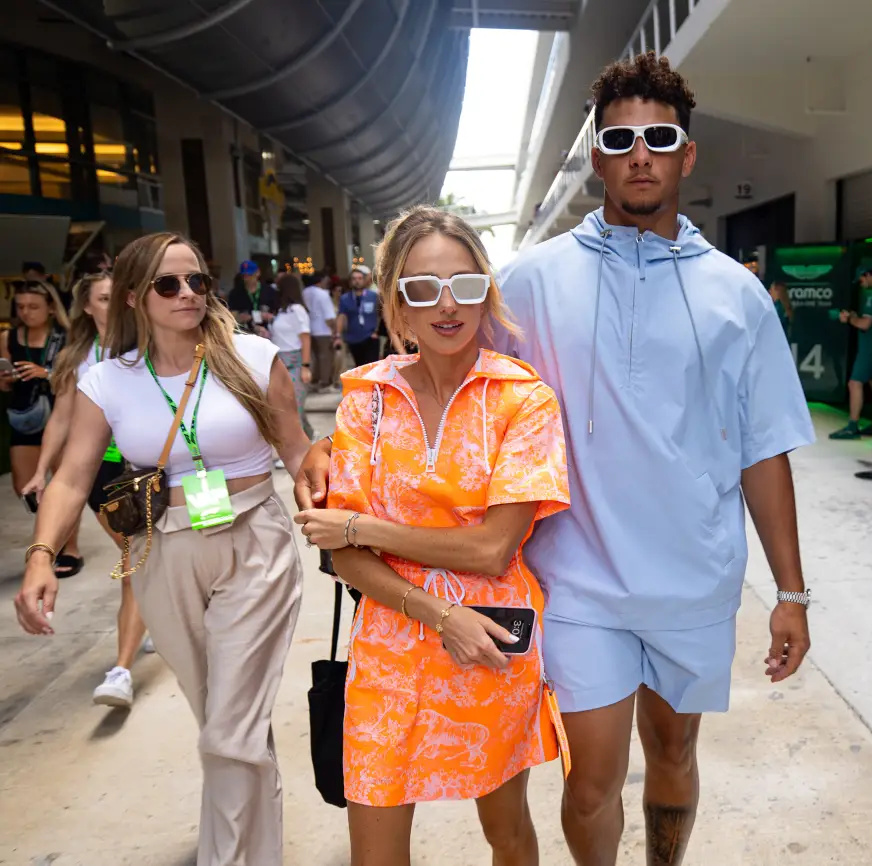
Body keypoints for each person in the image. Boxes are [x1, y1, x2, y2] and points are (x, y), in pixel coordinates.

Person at [296, 52, 814, 866]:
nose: (639, 152)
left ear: (686, 154)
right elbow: (443, 362)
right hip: (576, 583)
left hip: (694, 576)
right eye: (620, 138)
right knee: (587, 785)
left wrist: (790, 590)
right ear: (599, 157)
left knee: (675, 757)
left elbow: (764, 450)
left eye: (658, 136)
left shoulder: (738, 295)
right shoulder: (531, 280)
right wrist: (332, 443)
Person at [14, 231, 310, 866]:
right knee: (225, 719)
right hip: (161, 549)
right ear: (133, 296)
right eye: (169, 284)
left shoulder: (253, 357)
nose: (189, 294)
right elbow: (70, 474)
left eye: (198, 281)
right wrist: (42, 554)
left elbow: (296, 449)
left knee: (230, 729)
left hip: (255, 539)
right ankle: (259, 850)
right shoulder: (107, 381)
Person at [293, 206, 571, 866]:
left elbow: (491, 549)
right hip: (390, 645)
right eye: (423, 289)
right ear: (397, 304)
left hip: (492, 641)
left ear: (486, 291)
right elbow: (344, 558)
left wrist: (360, 525)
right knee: (376, 853)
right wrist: (436, 611)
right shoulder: (367, 397)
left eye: (465, 284)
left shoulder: (522, 400)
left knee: (507, 833)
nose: (447, 306)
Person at [21, 272, 155, 707]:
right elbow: (60, 419)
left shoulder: (148, 347)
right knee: (136, 556)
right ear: (86, 306)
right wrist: (42, 471)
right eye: (104, 297)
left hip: (147, 467)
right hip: (100, 471)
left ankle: (121, 668)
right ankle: (147, 625)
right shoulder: (78, 356)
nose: (115, 302)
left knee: (138, 558)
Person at [0, 279, 84, 577]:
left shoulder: (65, 338)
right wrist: (7, 379)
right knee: (26, 488)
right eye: (20, 307)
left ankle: (68, 547)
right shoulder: (10, 336)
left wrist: (45, 372)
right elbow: (3, 378)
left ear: (50, 308)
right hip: (25, 415)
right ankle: (51, 536)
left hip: (58, 414)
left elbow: (75, 378)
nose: (26, 312)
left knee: (63, 485)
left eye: (33, 306)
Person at [829, 265, 872, 440]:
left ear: (867, 275)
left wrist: (849, 319)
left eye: (861, 280)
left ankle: (852, 426)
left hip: (870, 346)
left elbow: (865, 324)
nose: (861, 284)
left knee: (854, 383)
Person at [270, 271, 314, 439]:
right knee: (288, 405)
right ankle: (309, 437)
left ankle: (299, 448)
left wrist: (305, 366)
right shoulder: (281, 311)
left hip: (295, 361)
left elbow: (306, 338)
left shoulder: (297, 310)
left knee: (294, 407)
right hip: (280, 360)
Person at [335, 265, 381, 367]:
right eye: (354, 278)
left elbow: (381, 315)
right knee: (359, 367)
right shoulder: (345, 298)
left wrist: (377, 331)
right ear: (350, 281)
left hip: (370, 337)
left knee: (372, 367)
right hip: (353, 338)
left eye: (360, 278)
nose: (357, 281)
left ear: (364, 280)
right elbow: (341, 317)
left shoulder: (373, 296)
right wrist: (338, 335)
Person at [302, 271, 338, 390]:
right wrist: (334, 330)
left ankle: (314, 379)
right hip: (323, 330)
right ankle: (324, 382)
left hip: (309, 328)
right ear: (320, 281)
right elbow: (329, 316)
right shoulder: (323, 294)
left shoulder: (304, 292)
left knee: (314, 357)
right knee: (325, 357)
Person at [227, 260, 278, 336]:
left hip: (268, 333)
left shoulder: (270, 291)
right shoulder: (235, 293)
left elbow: (277, 314)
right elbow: (232, 317)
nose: (246, 278)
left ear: (258, 273)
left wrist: (269, 317)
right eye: (244, 276)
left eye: (250, 275)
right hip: (245, 334)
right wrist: (241, 318)